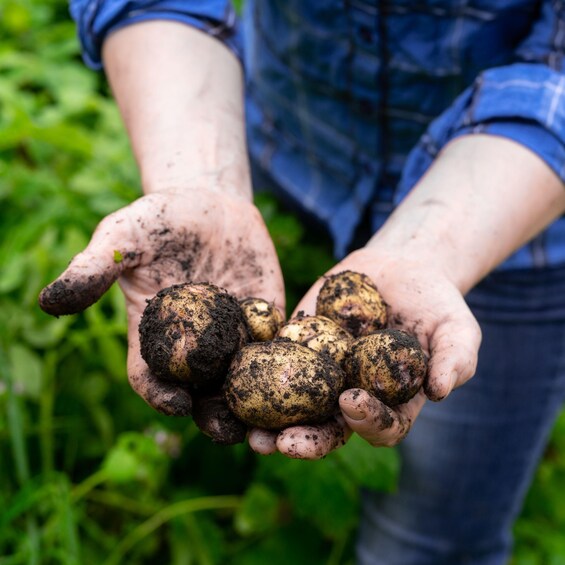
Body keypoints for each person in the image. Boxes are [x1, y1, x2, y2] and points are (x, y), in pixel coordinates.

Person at [39, 2, 565, 563]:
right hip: (294, 156)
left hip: (511, 213)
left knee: (432, 534)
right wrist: (198, 178)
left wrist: (428, 250)